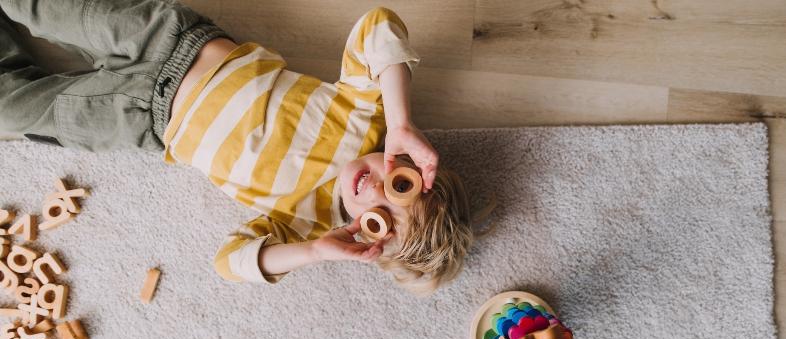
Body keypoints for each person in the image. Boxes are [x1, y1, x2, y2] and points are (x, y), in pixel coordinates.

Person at [0, 1, 476, 294]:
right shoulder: (366, 114)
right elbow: (380, 26)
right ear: (411, 165)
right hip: (172, 42)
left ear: (366, 237)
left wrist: (313, 253)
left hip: (140, 117)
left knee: (11, 108)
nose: (372, 188)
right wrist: (401, 121)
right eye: (398, 186)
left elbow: (231, 261)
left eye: (379, 216)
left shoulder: (304, 222)